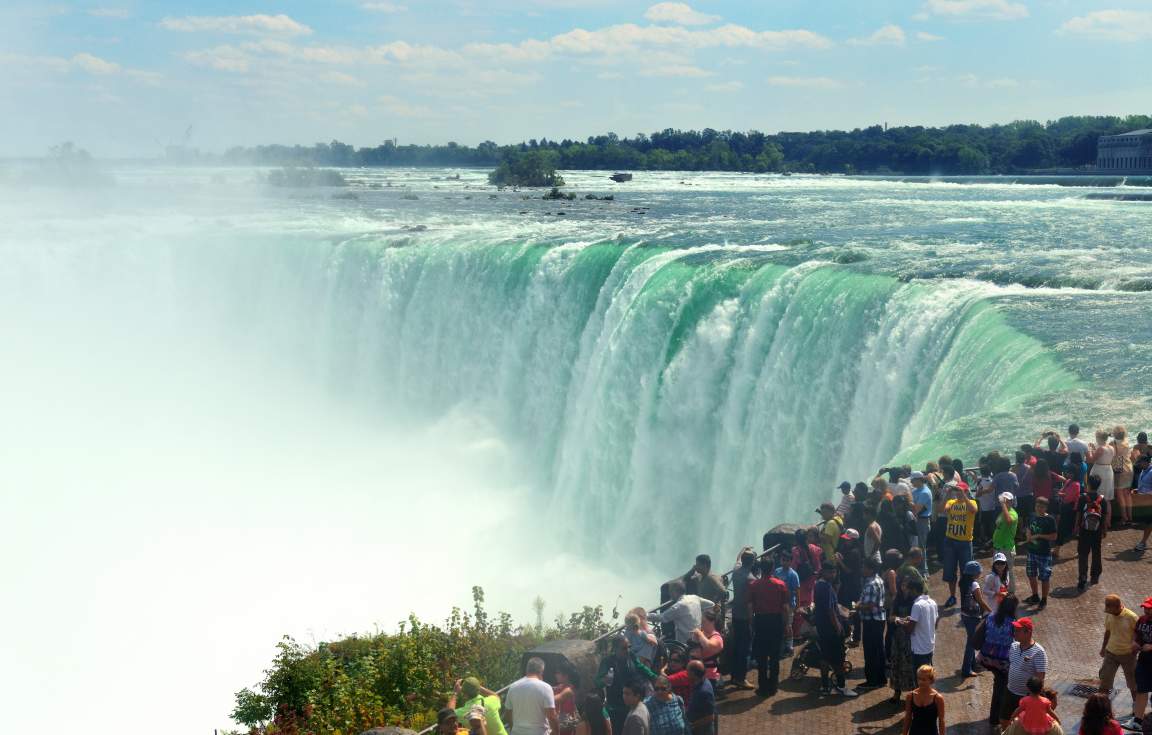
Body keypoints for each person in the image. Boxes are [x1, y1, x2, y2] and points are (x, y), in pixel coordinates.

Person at [813, 563, 856, 696]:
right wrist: (838, 626)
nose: (833, 575)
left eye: (834, 572)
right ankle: (841, 687)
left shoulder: (819, 585)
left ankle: (825, 686)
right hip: (831, 629)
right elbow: (830, 609)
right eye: (830, 572)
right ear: (823, 572)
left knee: (825, 657)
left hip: (822, 628)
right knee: (838, 658)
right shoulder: (825, 587)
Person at [597, 636, 656, 733]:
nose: (628, 650)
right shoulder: (607, 661)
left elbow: (640, 667)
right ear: (615, 649)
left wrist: (654, 677)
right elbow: (597, 681)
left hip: (632, 704)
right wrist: (604, 680)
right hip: (616, 707)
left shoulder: (631, 656)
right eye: (624, 648)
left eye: (629, 647)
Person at [748, 558, 788, 697]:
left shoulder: (754, 585)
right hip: (776, 621)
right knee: (775, 655)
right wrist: (787, 625)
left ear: (760, 569)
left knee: (762, 655)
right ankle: (773, 686)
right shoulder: (780, 584)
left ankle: (763, 686)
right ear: (772, 569)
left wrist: (752, 623)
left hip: (761, 621)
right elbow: (785, 608)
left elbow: (750, 607)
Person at [979, 594, 1020, 726]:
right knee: (1002, 688)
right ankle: (998, 717)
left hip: (987, 658)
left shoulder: (990, 617)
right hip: (1003, 662)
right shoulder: (1013, 623)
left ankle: (993, 716)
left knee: (998, 684)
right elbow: (1017, 641)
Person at [1001, 617, 1047, 730]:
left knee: (1024, 725)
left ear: (1028, 632)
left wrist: (1034, 697)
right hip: (1010, 691)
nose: (1014, 633)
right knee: (1003, 719)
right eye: (1014, 629)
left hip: (1026, 696)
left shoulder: (1039, 652)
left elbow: (1040, 678)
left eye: (1018, 630)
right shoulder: (1013, 646)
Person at [1099, 594, 1139, 714]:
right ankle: (1102, 709)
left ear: (1117, 607)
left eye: (1109, 609)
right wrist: (1103, 648)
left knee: (1133, 683)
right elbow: (1108, 631)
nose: (1108, 612)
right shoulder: (1109, 615)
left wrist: (1135, 646)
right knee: (1105, 680)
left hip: (1128, 655)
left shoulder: (1132, 617)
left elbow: (1138, 634)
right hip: (1111, 653)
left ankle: (1136, 708)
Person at [942, 481, 978, 607]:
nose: (958, 493)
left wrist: (964, 495)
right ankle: (952, 596)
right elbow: (942, 509)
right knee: (950, 570)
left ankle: (966, 596)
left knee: (966, 571)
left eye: (960, 490)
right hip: (950, 541)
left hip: (965, 542)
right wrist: (947, 494)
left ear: (966, 491)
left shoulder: (971, 502)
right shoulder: (951, 502)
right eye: (957, 491)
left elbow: (973, 510)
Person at [726, 548, 756, 689]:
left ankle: (733, 676)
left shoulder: (736, 571)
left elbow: (737, 560)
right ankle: (741, 678)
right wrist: (752, 620)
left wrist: (742, 549)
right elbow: (751, 601)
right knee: (744, 649)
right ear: (753, 562)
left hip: (735, 614)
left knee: (736, 646)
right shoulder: (751, 579)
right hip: (745, 617)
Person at [506, 658, 560, 735]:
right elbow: (551, 716)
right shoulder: (545, 687)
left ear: (527, 670)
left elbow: (508, 713)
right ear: (542, 671)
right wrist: (556, 733)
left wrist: (513, 729)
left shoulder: (513, 687)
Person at [857, 555, 888, 688]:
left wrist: (857, 607)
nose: (862, 569)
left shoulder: (870, 584)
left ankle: (872, 681)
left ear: (870, 569)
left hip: (871, 621)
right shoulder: (879, 580)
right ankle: (881, 678)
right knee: (879, 650)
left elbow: (870, 606)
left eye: (864, 567)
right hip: (879, 620)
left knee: (870, 652)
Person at [651, 583, 715, 645]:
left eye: (670, 591)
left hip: (684, 643)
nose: (670, 594)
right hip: (698, 637)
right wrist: (702, 617)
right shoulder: (694, 597)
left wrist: (645, 615)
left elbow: (662, 618)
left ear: (675, 591)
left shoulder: (679, 606)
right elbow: (711, 604)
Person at [1076, 475, 1110, 590]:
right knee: (1096, 553)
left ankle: (1082, 577)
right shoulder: (1102, 499)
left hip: (1084, 530)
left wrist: (1076, 528)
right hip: (1097, 531)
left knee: (1083, 554)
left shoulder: (1082, 498)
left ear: (1088, 484)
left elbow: (1079, 514)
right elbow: (1104, 517)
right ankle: (1095, 576)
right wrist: (1104, 530)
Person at [1024, 496, 1058, 609]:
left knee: (1044, 577)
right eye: (1037, 506)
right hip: (1031, 552)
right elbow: (1028, 527)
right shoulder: (1032, 516)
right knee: (1031, 575)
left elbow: (1054, 536)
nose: (1039, 508)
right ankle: (1035, 596)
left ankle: (1044, 599)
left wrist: (1039, 535)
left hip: (1044, 554)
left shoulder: (1050, 520)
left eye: (1041, 507)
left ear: (1046, 508)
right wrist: (1028, 535)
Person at [901, 576, 938, 669]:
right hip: (930, 646)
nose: (908, 593)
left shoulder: (917, 605)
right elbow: (934, 623)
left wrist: (901, 622)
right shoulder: (932, 602)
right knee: (927, 676)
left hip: (919, 649)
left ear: (914, 590)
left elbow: (910, 629)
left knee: (919, 678)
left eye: (909, 590)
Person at [960, 559, 989, 678]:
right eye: (979, 571)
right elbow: (980, 601)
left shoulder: (962, 582)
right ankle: (966, 669)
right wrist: (991, 611)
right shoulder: (974, 584)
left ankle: (972, 664)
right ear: (974, 573)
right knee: (971, 643)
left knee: (971, 639)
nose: (980, 573)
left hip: (965, 615)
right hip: (974, 616)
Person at [791, 528, 823, 636]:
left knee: (798, 608)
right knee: (808, 607)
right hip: (811, 582)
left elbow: (794, 569)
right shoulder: (814, 549)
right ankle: (808, 629)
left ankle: (797, 632)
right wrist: (814, 578)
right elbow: (818, 568)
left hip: (800, 584)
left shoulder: (795, 551)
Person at [902, 664, 945, 735]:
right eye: (918, 678)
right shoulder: (910, 696)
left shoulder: (938, 698)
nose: (920, 682)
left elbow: (941, 721)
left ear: (931, 680)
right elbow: (908, 718)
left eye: (924, 679)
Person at [682, 555, 727, 620]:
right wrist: (691, 571)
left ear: (705, 565)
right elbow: (684, 579)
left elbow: (724, 592)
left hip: (711, 615)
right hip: (705, 613)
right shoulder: (700, 576)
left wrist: (712, 604)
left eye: (698, 564)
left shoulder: (711, 577)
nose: (696, 566)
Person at [773, 553, 800, 655]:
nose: (785, 562)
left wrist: (797, 606)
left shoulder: (793, 574)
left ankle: (790, 645)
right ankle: (781, 644)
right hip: (778, 604)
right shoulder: (777, 571)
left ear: (791, 561)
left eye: (787, 560)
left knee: (788, 625)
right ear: (780, 560)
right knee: (780, 624)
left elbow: (797, 591)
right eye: (783, 560)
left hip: (789, 604)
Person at [994, 492, 1021, 594]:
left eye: (1007, 501)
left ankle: (1011, 592)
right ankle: (1002, 590)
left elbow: (1009, 520)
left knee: (1008, 570)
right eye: (1004, 500)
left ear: (1011, 502)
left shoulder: (1013, 513)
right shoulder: (1003, 512)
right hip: (998, 546)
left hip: (1007, 547)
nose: (1004, 502)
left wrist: (1003, 505)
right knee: (998, 570)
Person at [1089, 430, 1117, 527]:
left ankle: (1099, 520)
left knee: (1098, 497)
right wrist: (1094, 449)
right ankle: (1108, 522)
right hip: (1108, 471)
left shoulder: (1100, 448)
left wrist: (1090, 450)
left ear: (1099, 438)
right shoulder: (1111, 448)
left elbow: (1091, 459)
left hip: (1099, 470)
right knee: (1107, 499)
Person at [688, 609, 724, 684]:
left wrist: (699, 634)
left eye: (704, 622)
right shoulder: (702, 634)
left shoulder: (717, 638)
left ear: (712, 622)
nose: (701, 624)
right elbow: (694, 651)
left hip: (710, 676)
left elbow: (708, 646)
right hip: (696, 673)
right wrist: (694, 639)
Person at [1132, 596, 1152, 731]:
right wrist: (1135, 642)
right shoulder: (1142, 620)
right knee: (1141, 691)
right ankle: (1137, 721)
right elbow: (1137, 634)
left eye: (1149, 608)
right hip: (1144, 661)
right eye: (1145, 607)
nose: (1146, 610)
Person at [910, 472, 933, 576]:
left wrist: (908, 503)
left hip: (922, 521)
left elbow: (916, 510)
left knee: (921, 546)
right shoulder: (916, 490)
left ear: (919, 480)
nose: (911, 482)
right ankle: (919, 568)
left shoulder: (924, 492)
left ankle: (924, 571)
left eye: (913, 480)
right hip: (917, 520)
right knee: (917, 545)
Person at [684, 661, 716, 735]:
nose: (686, 673)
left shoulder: (703, 691)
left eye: (687, 671)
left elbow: (710, 717)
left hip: (702, 731)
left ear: (693, 673)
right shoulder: (701, 682)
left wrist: (692, 725)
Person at [1113, 426, 1134, 527]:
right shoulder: (1126, 441)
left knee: (1120, 493)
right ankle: (1130, 517)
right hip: (1129, 467)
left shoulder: (1113, 444)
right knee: (1127, 493)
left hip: (1120, 469)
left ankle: (1124, 518)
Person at [554, 667, 579, 735]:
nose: (555, 675)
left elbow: (553, 700)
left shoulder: (569, 689)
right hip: (560, 724)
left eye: (558, 673)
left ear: (566, 676)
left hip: (566, 724)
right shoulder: (558, 687)